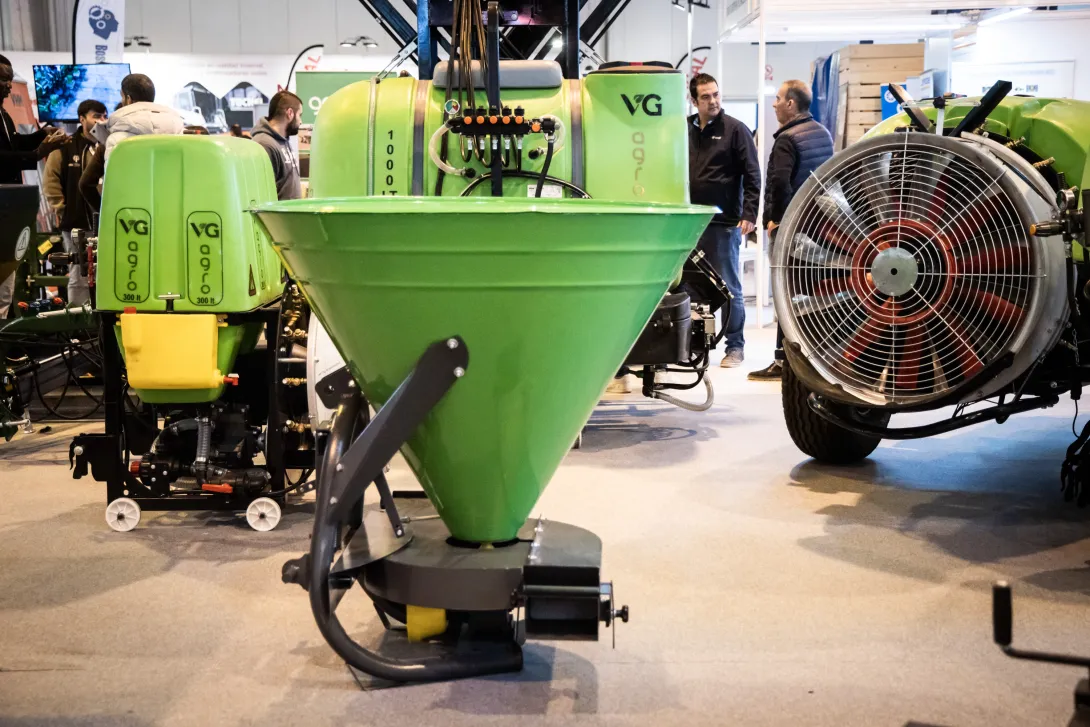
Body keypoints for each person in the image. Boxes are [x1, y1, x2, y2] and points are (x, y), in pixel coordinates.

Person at [748, 79, 834, 381]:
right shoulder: (822, 133)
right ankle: (816, 357)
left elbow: (780, 183)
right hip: (820, 228)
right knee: (812, 294)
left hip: (791, 229)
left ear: (791, 104)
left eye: (778, 98)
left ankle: (784, 362)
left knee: (787, 297)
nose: (774, 104)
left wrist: (773, 221)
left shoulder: (787, 139)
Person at [688, 73, 761, 369]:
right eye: (705, 96)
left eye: (716, 94)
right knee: (691, 287)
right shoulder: (685, 130)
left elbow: (753, 175)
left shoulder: (735, 130)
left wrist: (749, 214)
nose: (713, 101)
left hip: (724, 222)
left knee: (729, 287)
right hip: (690, 223)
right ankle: (694, 347)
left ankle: (735, 347)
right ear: (694, 101)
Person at [0, 55, 69, 318]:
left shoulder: (3, 113)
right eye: (3, 79)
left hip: (8, 206)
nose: (9, 85)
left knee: (6, 286)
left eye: (10, 79)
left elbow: (14, 144)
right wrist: (39, 153)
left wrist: (41, 136)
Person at [78, 73, 185, 211]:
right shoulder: (180, 133)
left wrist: (104, 213)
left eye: (122, 97)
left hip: (129, 217)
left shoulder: (113, 139)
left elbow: (85, 184)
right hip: (171, 211)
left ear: (128, 99)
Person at [43, 99, 107, 306]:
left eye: (104, 116)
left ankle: (103, 318)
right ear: (82, 119)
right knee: (79, 273)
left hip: (106, 222)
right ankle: (79, 318)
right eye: (95, 116)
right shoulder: (65, 147)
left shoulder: (109, 145)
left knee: (106, 272)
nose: (101, 120)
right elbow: (50, 181)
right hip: (76, 223)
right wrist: (63, 209)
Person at [251, 91, 302, 201]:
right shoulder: (264, 144)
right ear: (290, 113)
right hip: (278, 212)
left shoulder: (283, 140)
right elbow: (261, 193)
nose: (300, 121)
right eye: (299, 115)